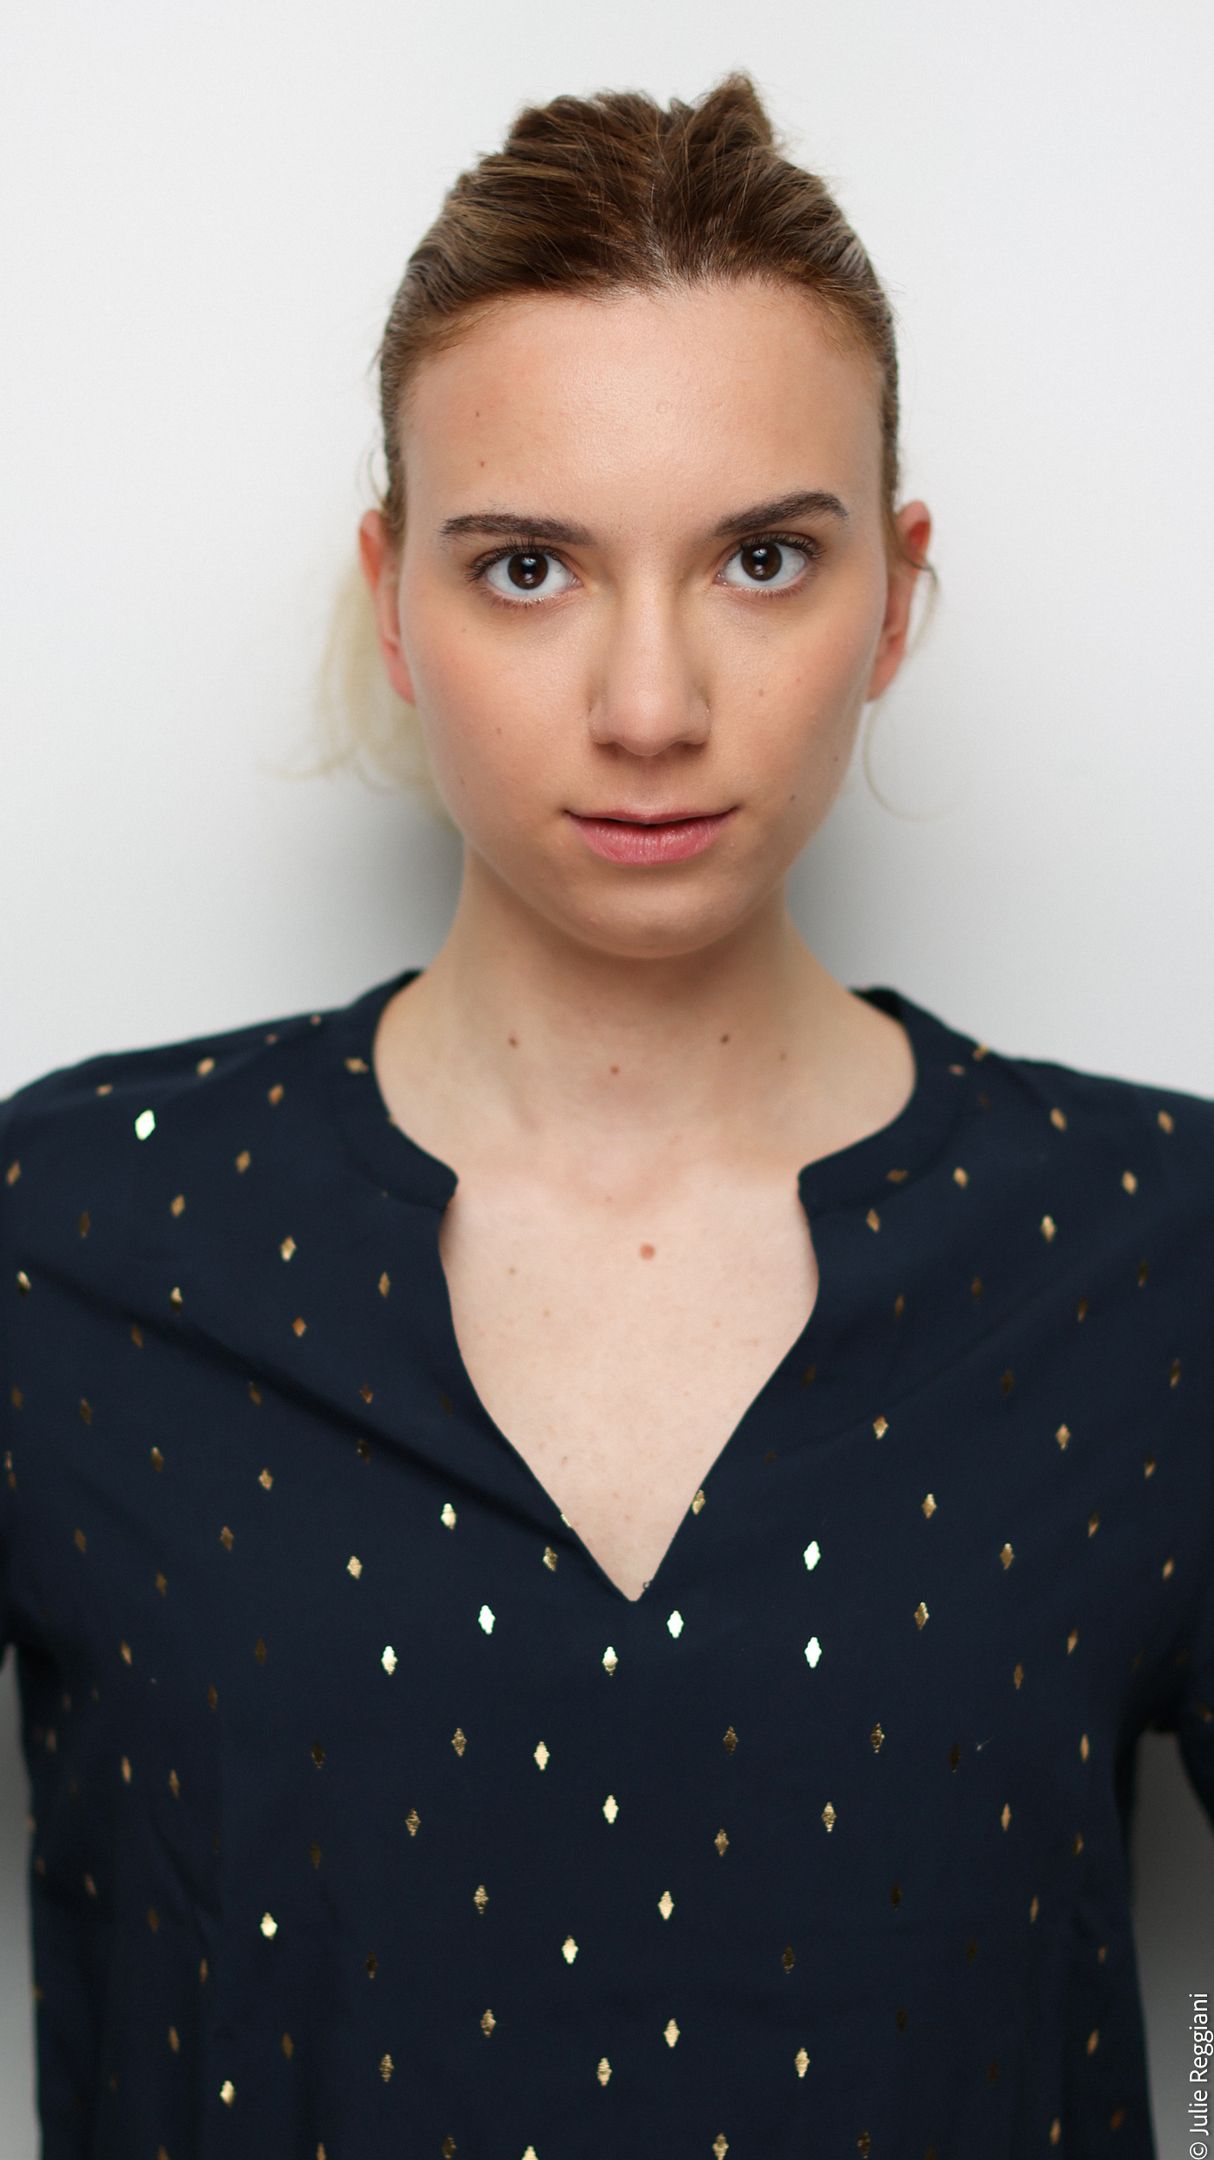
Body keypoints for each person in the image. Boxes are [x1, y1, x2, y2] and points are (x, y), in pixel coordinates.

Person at [2, 68, 1211, 2160]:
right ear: (392, 597)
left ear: (893, 597)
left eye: (762, 558)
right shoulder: (65, 1240)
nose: (650, 708)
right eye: (527, 569)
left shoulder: (1157, 1254)